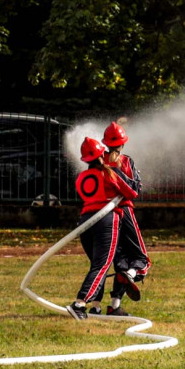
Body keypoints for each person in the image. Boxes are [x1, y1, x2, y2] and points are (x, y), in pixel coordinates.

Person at [66, 136, 138, 321]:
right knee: (102, 265)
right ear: (101, 154)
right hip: (106, 219)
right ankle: (80, 303)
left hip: (85, 221)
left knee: (97, 266)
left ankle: (96, 308)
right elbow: (131, 192)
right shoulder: (109, 172)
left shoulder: (81, 177)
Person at [102, 121, 150, 308]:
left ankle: (114, 305)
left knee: (120, 257)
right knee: (141, 258)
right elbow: (135, 188)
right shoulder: (126, 161)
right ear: (123, 144)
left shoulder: (99, 163)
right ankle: (131, 275)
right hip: (125, 212)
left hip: (105, 216)